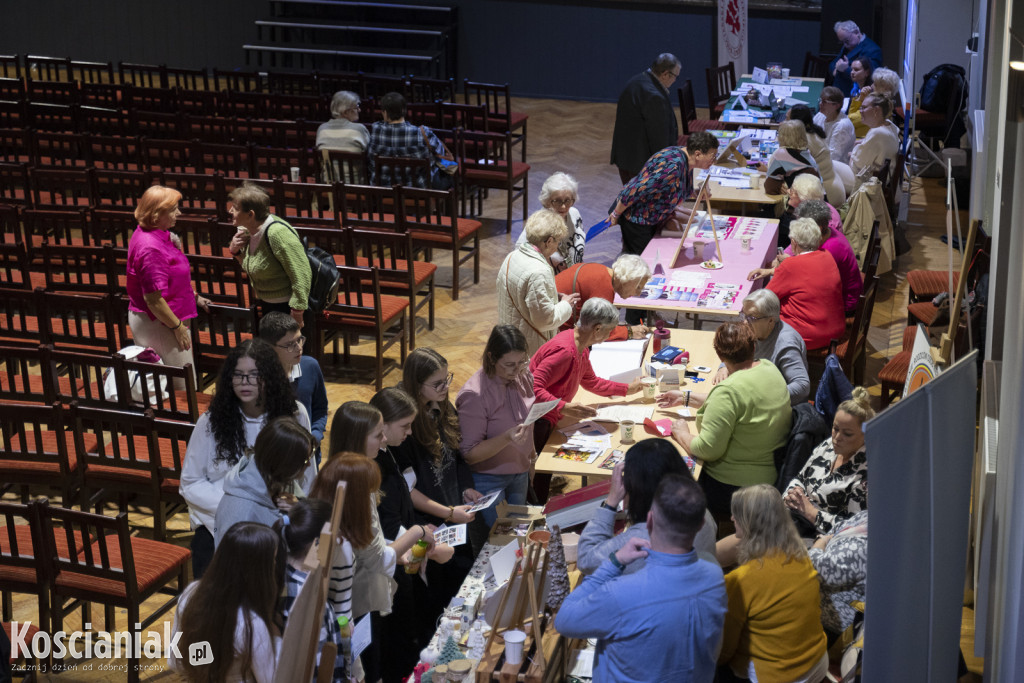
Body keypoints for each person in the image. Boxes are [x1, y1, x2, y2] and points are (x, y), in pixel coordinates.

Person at [556, 473, 727, 683]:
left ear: (649, 520)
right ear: (701, 524)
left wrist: (613, 562)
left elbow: (564, 620)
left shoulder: (621, 593)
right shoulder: (715, 575)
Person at [180, 338, 314, 579]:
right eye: (238, 375)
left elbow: (308, 477)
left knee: (306, 570)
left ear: (270, 377)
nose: (245, 382)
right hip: (216, 522)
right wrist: (235, 505)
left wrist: (296, 506)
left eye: (254, 375)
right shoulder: (211, 422)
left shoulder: (294, 413)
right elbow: (190, 483)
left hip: (279, 518)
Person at [368, 388, 457, 683]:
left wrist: (423, 533)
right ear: (382, 425)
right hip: (394, 574)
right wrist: (425, 544)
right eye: (404, 426)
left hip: (406, 560)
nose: (409, 433)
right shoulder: (373, 468)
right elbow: (392, 537)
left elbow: (404, 505)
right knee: (403, 644)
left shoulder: (389, 452)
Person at [660, 323, 791, 521]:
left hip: (734, 489)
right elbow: (737, 403)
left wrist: (682, 434)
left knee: (667, 477)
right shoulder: (769, 369)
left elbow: (707, 449)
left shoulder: (728, 391)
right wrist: (686, 397)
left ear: (720, 357)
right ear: (753, 347)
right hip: (770, 477)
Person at [391, 347, 482, 620]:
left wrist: (465, 487)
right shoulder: (405, 427)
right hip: (430, 522)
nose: (445, 388)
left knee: (462, 584)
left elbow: (456, 455)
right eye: (438, 383)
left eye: (447, 379)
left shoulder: (442, 407)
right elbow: (407, 489)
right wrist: (447, 513)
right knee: (439, 600)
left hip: (454, 512)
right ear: (416, 385)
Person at [717, 484, 828, 683]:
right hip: (818, 661)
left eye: (736, 515)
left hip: (781, 675)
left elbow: (724, 649)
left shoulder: (739, 580)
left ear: (749, 521)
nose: (732, 518)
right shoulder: (800, 554)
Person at [577, 439, 718, 574]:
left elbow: (586, 561)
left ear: (637, 487)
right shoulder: (701, 512)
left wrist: (610, 503)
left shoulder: (641, 539)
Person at [530, 298, 642, 464]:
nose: (610, 334)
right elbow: (532, 388)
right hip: (537, 420)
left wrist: (627, 389)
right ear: (597, 329)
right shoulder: (565, 352)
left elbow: (592, 382)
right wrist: (564, 407)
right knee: (539, 469)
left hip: (550, 416)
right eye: (609, 330)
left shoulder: (580, 347)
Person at [169, 521, 285, 683]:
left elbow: (175, 661)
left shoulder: (191, 592)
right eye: (272, 562)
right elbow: (271, 679)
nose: (275, 566)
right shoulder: (251, 623)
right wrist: (277, 639)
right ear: (258, 572)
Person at [126, 185, 211, 382]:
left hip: (166, 319)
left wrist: (194, 296)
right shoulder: (150, 248)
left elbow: (171, 277)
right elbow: (153, 299)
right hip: (161, 324)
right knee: (181, 389)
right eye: (173, 209)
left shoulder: (157, 233)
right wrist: (178, 327)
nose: (178, 213)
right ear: (156, 214)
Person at [456, 325, 536, 527]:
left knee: (518, 533)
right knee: (499, 539)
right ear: (491, 358)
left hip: (521, 470)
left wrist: (530, 458)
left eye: (521, 362)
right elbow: (469, 453)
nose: (516, 370)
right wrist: (507, 438)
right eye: (509, 364)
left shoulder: (522, 376)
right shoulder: (475, 395)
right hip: (489, 479)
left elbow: (527, 421)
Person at [608, 131, 718, 257]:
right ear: (698, 154)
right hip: (638, 218)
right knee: (640, 262)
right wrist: (616, 214)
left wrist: (696, 193)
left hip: (653, 217)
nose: (713, 161)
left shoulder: (686, 159)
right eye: (712, 156)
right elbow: (633, 190)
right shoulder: (672, 167)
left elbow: (674, 188)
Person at [277, 498, 350, 683]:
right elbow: (321, 671)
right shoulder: (311, 599)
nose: (339, 545)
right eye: (336, 539)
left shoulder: (278, 575)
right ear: (318, 545)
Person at [784, 387, 873, 536]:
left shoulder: (866, 472)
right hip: (795, 517)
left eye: (847, 434)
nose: (837, 437)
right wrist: (793, 494)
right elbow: (801, 478)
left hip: (823, 537)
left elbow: (854, 529)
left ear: (865, 435)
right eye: (835, 428)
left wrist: (811, 513)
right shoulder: (828, 446)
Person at [213, 416, 315, 547]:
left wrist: (300, 508)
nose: (309, 466)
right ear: (284, 463)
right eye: (305, 461)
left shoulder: (277, 477)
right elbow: (233, 565)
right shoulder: (242, 514)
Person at [748, 217, 846, 351]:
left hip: (808, 335)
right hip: (835, 329)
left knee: (760, 318)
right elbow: (805, 276)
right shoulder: (827, 256)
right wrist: (772, 271)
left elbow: (765, 300)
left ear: (793, 243)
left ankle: (762, 359)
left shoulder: (790, 265)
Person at [496, 209, 580, 355]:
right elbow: (544, 321)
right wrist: (567, 305)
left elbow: (522, 294)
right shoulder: (539, 271)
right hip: (529, 347)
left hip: (509, 338)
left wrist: (553, 296)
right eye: (558, 241)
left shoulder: (512, 256)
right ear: (548, 242)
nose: (557, 247)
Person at [227, 182, 311, 328]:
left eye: (235, 208)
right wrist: (236, 251)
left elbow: (302, 274)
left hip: (288, 308)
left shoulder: (277, 234)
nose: (230, 211)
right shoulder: (249, 230)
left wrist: (297, 312)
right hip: (268, 304)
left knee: (291, 350)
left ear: (250, 214)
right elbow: (255, 267)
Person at [712, 290, 809, 406]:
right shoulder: (757, 330)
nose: (745, 322)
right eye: (744, 314)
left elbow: (802, 386)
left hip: (779, 408)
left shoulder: (786, 344)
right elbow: (735, 349)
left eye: (752, 318)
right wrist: (724, 367)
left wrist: (762, 397)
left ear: (771, 320)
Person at [259, 311, 328, 465]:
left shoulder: (310, 366)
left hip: (309, 456)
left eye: (300, 340)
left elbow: (320, 408)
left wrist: (315, 436)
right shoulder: (257, 379)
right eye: (290, 344)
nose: (299, 348)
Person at [609, 53, 681, 183]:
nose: (675, 80)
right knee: (642, 202)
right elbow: (659, 137)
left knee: (631, 199)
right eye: (675, 76)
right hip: (641, 164)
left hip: (625, 157)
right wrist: (666, 167)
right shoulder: (654, 96)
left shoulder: (636, 80)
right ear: (665, 74)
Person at [554, 254, 651, 341]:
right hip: (556, 329)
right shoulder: (604, 286)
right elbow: (599, 331)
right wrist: (629, 332)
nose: (638, 293)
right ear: (629, 278)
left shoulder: (602, 271)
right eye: (638, 287)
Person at [367, 91, 448, 189]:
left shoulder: (376, 130)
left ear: (384, 112)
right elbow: (442, 155)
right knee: (449, 167)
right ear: (404, 110)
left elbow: (371, 162)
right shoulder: (422, 133)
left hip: (383, 189)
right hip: (417, 189)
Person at [794, 198, 862, 314]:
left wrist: (795, 259)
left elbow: (810, 281)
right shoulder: (829, 232)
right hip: (839, 294)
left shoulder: (830, 250)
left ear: (818, 228)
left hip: (844, 304)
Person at [808, 509, 868, 639]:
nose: (865, 487)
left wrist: (822, 542)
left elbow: (813, 568)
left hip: (836, 629)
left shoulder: (869, 543)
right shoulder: (867, 515)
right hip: (814, 606)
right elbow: (836, 529)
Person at [788, 104, 845, 205]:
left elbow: (791, 171)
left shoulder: (803, 141)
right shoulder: (813, 132)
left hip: (826, 195)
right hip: (832, 188)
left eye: (787, 119)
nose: (783, 123)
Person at [849, 93, 901, 186]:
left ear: (876, 110)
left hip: (867, 184)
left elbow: (858, 165)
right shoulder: (890, 125)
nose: (860, 111)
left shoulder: (877, 133)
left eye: (864, 107)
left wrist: (852, 154)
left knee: (827, 170)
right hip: (879, 178)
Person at [539, 172, 586, 271]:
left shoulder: (574, 214)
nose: (564, 206)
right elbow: (521, 250)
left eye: (568, 200)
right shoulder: (539, 224)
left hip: (574, 275)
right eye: (558, 201)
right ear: (547, 201)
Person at [761, 120, 819, 196]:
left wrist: (780, 185)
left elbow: (770, 188)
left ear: (782, 137)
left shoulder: (781, 154)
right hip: (816, 201)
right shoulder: (806, 153)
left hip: (796, 204)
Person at [829, 20, 883, 97]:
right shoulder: (849, 45)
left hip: (854, 95)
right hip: (839, 92)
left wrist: (844, 69)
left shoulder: (872, 49)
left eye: (847, 41)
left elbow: (871, 76)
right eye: (842, 42)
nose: (845, 45)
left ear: (856, 32)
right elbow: (833, 64)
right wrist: (836, 69)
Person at [814, 85, 857, 179]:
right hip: (820, 161)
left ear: (837, 105)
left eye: (825, 102)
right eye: (821, 100)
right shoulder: (821, 115)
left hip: (837, 171)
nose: (820, 104)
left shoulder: (842, 126)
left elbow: (833, 157)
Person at [849, 66, 901, 138]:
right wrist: (860, 99)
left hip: (862, 141)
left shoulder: (877, 107)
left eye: (875, 85)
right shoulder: (886, 103)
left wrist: (860, 100)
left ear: (885, 88)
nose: (871, 86)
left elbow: (850, 120)